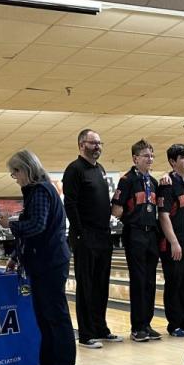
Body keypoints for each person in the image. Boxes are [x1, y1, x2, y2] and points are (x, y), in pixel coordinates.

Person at [1, 149, 79, 365]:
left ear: (26, 169)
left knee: (56, 316)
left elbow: (36, 226)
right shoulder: (36, 192)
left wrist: (10, 224)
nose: (15, 177)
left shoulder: (40, 191)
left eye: (15, 172)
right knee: (44, 317)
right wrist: (16, 256)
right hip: (40, 260)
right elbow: (33, 234)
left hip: (51, 262)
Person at [62, 128, 121, 349]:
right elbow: (70, 203)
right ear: (81, 145)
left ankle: (101, 328)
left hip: (103, 235)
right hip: (85, 236)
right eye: (93, 143)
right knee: (86, 285)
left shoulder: (100, 169)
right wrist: (79, 232)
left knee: (101, 285)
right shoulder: (74, 170)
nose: (97, 146)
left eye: (99, 143)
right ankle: (86, 334)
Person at [112, 139, 161, 343]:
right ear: (135, 158)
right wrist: (132, 221)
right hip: (135, 234)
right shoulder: (127, 180)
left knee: (150, 281)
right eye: (146, 156)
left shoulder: (154, 182)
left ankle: (147, 324)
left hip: (152, 234)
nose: (150, 159)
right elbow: (116, 209)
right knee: (139, 281)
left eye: (151, 156)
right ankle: (137, 327)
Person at [158, 144, 184, 337]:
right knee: (174, 284)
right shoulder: (167, 185)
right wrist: (174, 242)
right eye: (183, 157)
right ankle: (174, 324)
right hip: (174, 244)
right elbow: (163, 215)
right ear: (173, 162)